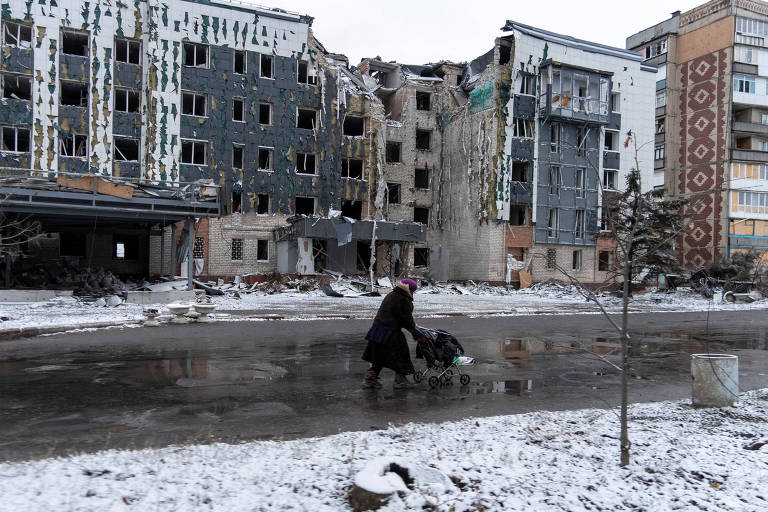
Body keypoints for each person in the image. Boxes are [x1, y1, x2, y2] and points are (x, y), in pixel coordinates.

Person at [361, 278, 419, 389]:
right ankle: (400, 381)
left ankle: (370, 379)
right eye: (413, 291)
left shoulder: (392, 294)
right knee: (401, 354)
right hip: (390, 332)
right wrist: (415, 331)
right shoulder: (403, 299)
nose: (413, 293)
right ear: (409, 289)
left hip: (378, 330)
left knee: (379, 356)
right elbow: (405, 319)